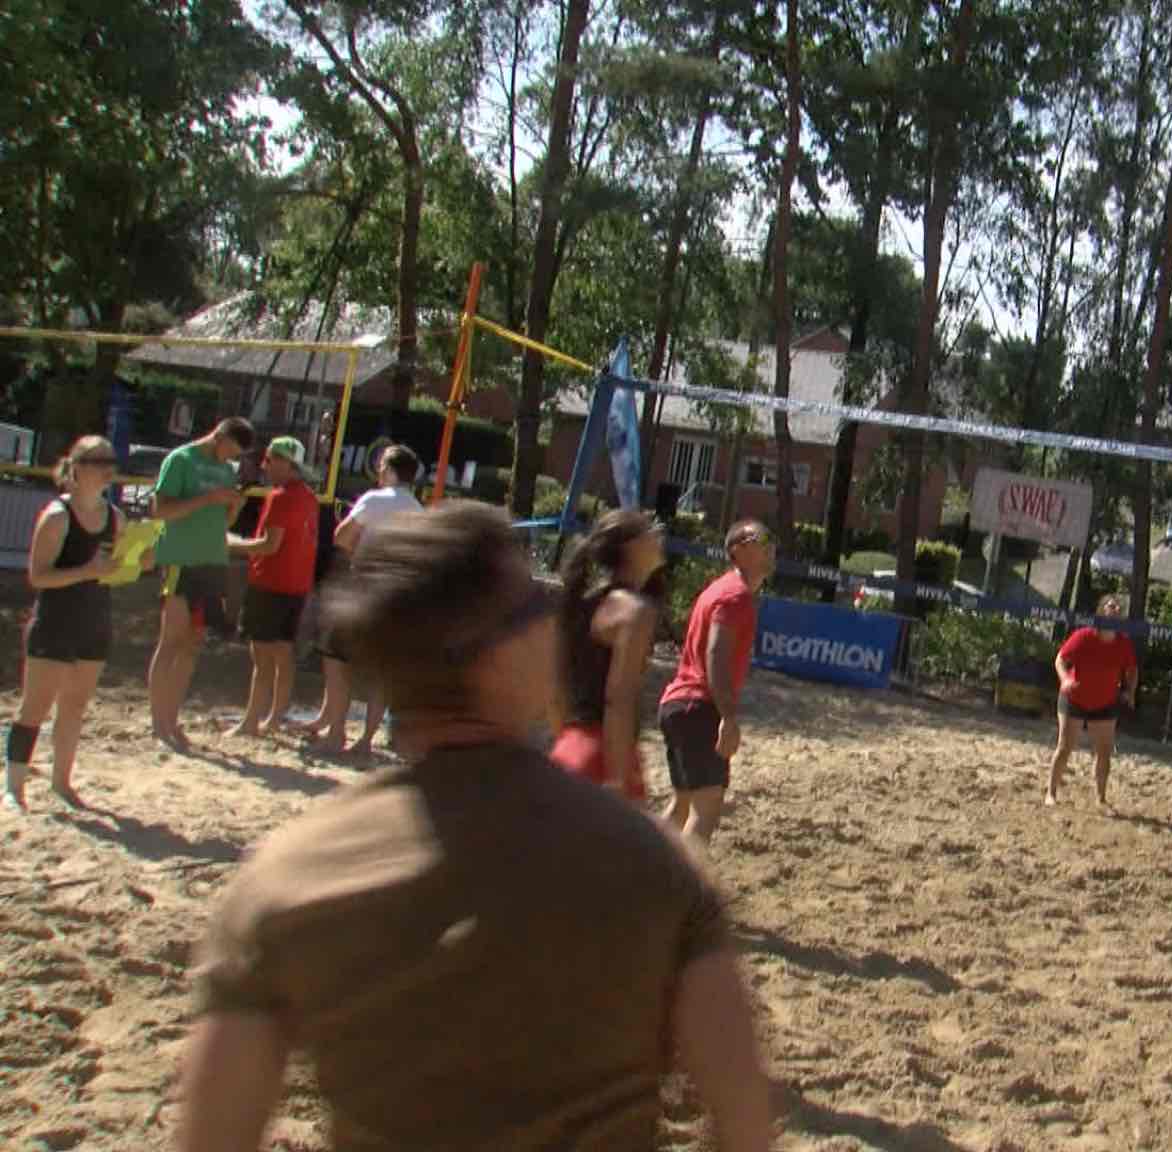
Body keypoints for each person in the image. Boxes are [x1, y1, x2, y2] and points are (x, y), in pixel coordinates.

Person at [175, 501, 776, 1152]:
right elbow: (743, 1122)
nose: (550, 618)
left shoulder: (283, 880)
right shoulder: (657, 869)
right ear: (492, 654)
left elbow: (211, 1134)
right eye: (530, 607)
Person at [5, 437, 124, 811]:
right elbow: (38, 577)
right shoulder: (57, 516)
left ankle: (62, 784)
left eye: (111, 459)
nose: (107, 466)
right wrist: (87, 570)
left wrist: (135, 561)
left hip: (94, 621)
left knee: (74, 706)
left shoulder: (115, 517)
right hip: (55, 621)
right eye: (98, 459)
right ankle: (14, 788)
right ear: (77, 468)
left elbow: (112, 572)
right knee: (34, 707)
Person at [301, 444, 423, 755]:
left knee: (336, 658)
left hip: (365, 583)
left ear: (392, 470)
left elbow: (342, 536)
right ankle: (366, 739)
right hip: (397, 593)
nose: (379, 471)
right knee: (380, 669)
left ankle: (337, 730)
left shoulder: (375, 499)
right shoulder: (420, 512)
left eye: (382, 465)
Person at [660, 519, 774, 844]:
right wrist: (728, 716)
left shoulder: (722, 589)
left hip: (678, 705)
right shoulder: (735, 596)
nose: (770, 546)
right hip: (699, 707)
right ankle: (683, 891)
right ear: (738, 551)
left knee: (682, 805)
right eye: (760, 539)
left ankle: (642, 874)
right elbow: (715, 655)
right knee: (704, 812)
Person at [148, 417, 256, 750]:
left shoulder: (226, 470)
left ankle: (172, 719)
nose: (230, 458)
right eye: (230, 450)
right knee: (171, 640)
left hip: (212, 562)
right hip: (181, 559)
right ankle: (158, 723)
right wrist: (208, 499)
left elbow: (220, 521)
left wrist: (233, 508)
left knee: (193, 643)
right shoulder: (181, 459)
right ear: (218, 435)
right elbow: (160, 511)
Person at [551, 509, 666, 803]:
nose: (659, 531)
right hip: (604, 757)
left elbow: (556, 688)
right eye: (649, 527)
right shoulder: (635, 611)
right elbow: (619, 698)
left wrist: (563, 740)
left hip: (568, 748)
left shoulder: (585, 603)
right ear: (631, 546)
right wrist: (617, 779)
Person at [225, 438, 319, 739]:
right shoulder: (308, 497)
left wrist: (231, 543)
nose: (265, 466)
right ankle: (274, 718)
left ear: (287, 464)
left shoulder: (281, 497)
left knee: (263, 658)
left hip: (271, 585)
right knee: (282, 655)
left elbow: (269, 545)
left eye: (270, 460)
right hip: (295, 586)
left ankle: (252, 721)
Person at [1046, 593, 1138, 809]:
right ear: (1101, 611)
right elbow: (1060, 659)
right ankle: (1051, 793)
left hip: (1105, 702)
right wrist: (1065, 679)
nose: (1114, 608)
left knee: (1105, 751)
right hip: (1074, 698)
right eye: (1110, 605)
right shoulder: (1084, 636)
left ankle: (1101, 798)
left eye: (1117, 607)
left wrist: (1130, 690)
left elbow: (1132, 669)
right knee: (1065, 747)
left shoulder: (1123, 643)